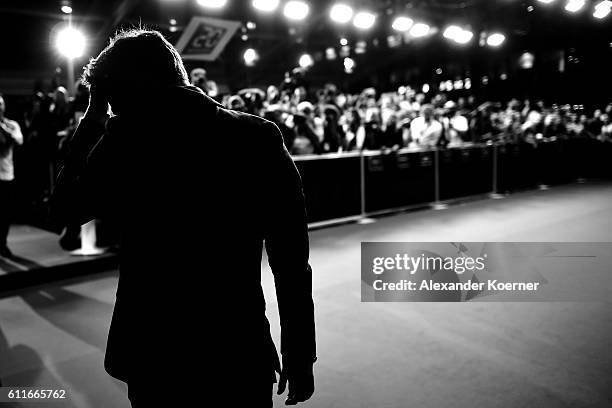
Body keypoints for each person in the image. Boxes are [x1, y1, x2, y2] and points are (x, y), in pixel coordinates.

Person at [50, 29, 316, 407]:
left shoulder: (126, 139)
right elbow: (291, 259)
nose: (112, 106)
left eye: (112, 96)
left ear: (131, 84)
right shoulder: (256, 136)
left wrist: (92, 120)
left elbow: (64, 209)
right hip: (237, 348)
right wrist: (300, 351)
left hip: (155, 353)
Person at [0, 93, 24, 257]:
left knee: (6, 215)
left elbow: (18, 140)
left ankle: (3, 244)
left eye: (0, 103)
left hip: (7, 175)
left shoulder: (12, 124)